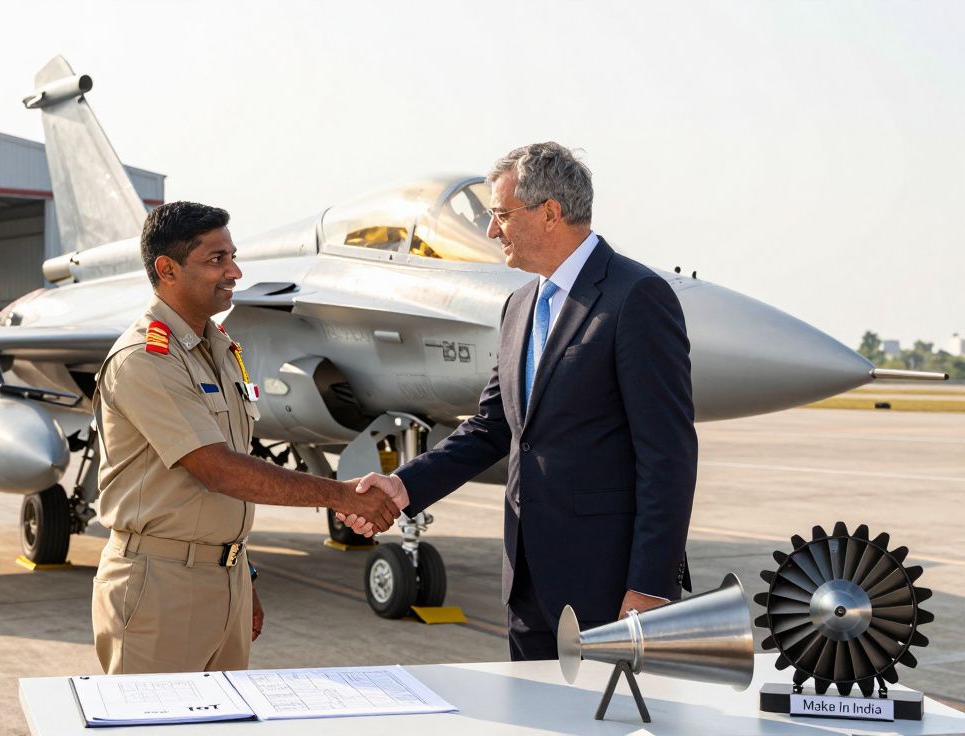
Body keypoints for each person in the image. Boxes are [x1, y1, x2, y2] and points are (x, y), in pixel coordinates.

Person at [344, 143, 697, 661]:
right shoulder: (520, 305)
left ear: (550, 213)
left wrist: (651, 585)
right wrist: (403, 486)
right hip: (526, 582)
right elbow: (492, 427)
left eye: (502, 215)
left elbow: (667, 453)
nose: (492, 231)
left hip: (610, 590)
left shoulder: (636, 297)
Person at [92, 201, 400, 675]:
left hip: (224, 580)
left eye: (232, 256)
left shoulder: (218, 348)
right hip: (160, 588)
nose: (234, 271)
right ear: (167, 269)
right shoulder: (146, 357)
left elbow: (225, 484)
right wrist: (343, 496)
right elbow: (218, 470)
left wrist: (240, 572)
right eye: (216, 259)